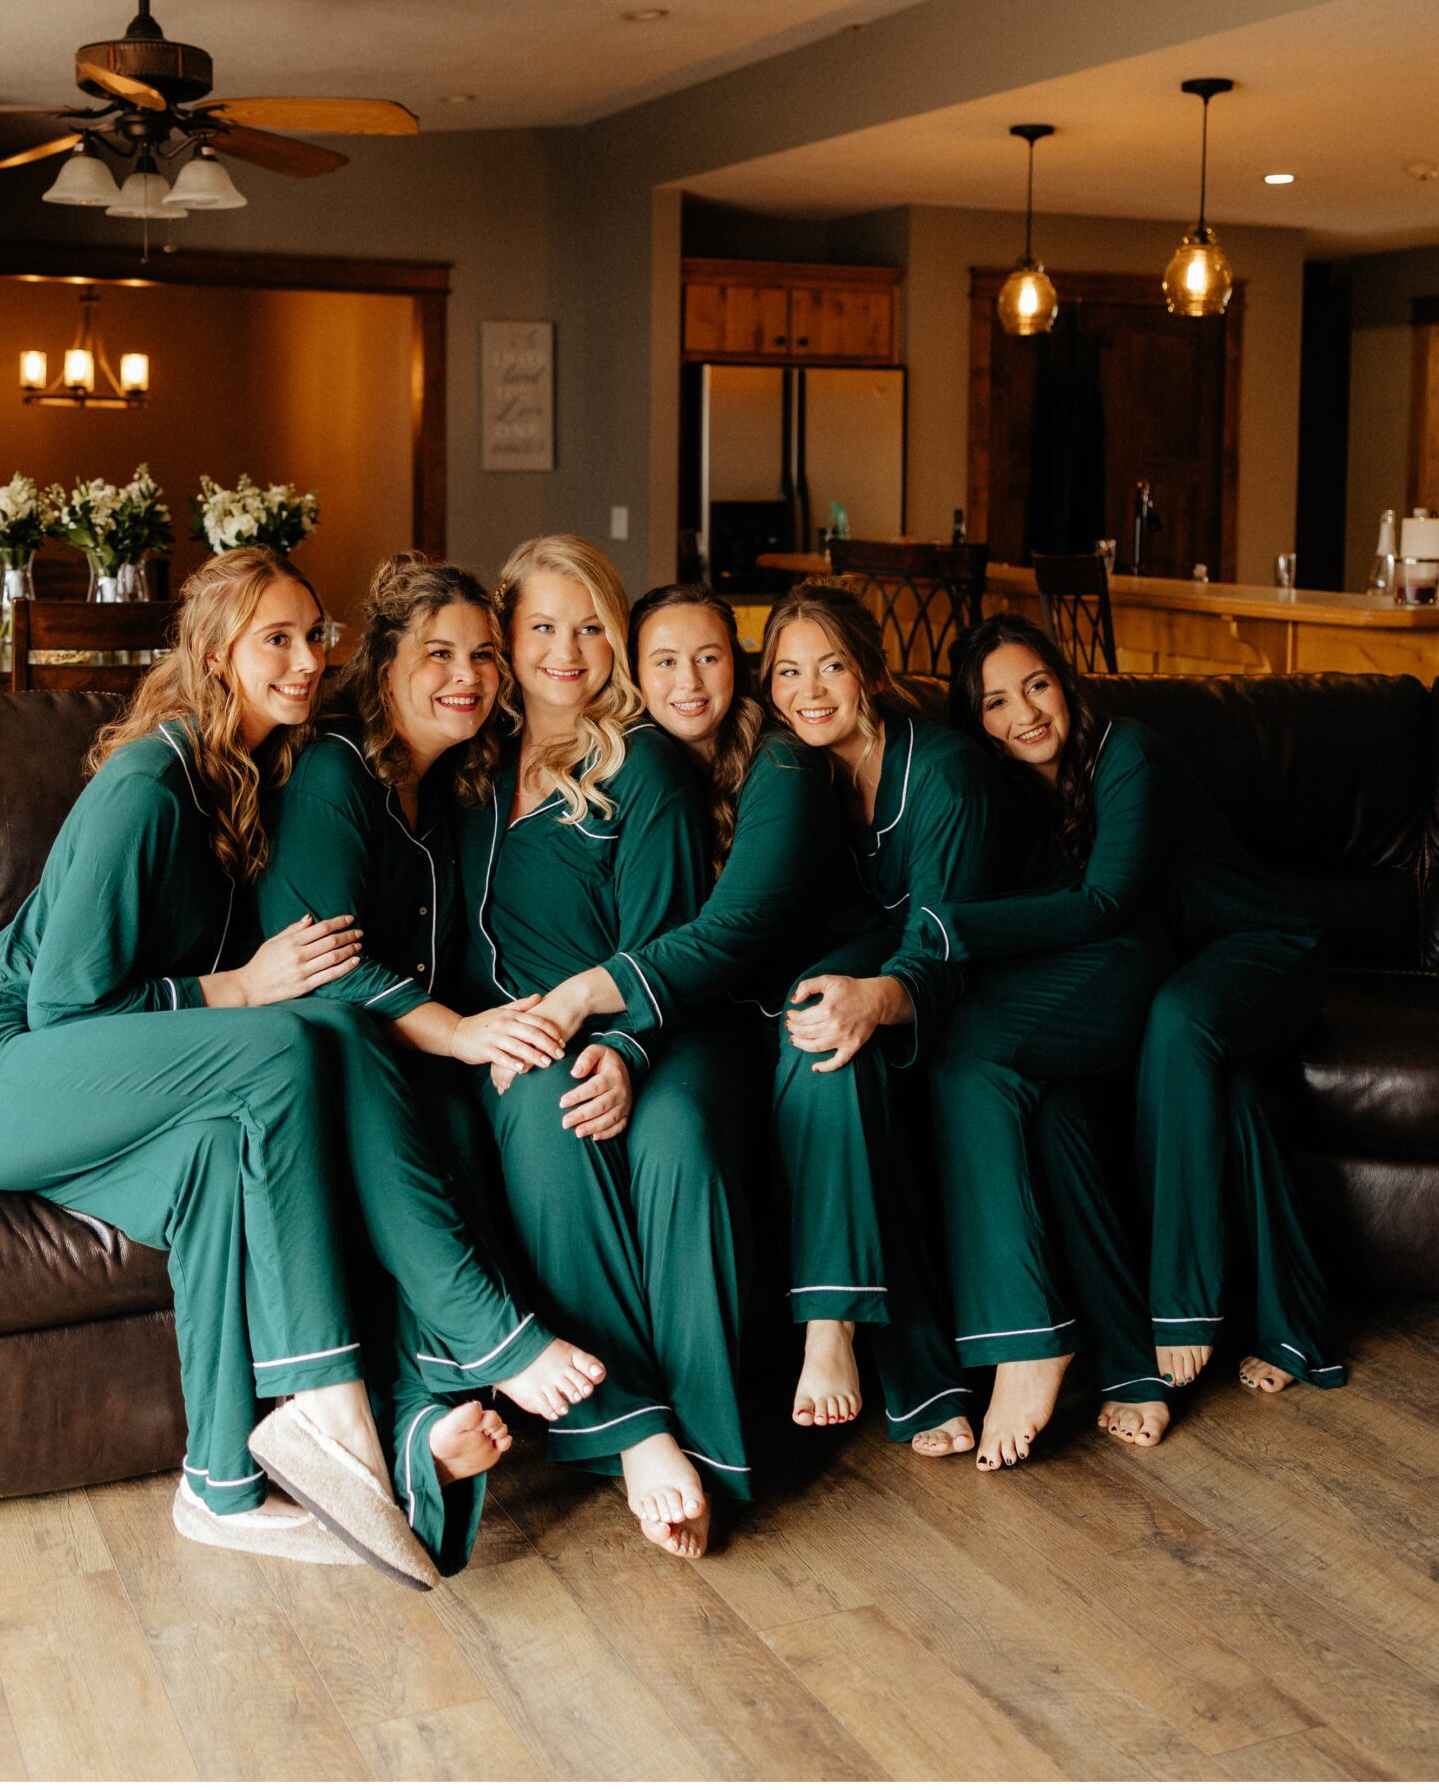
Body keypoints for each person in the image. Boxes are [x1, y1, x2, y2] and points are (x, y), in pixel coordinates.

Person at [0, 548, 459, 1586]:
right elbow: (62, 1012)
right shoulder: (149, 780)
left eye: (313, 634)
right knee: (284, 1040)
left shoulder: (247, 776)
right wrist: (238, 987)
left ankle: (219, 1487)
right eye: (273, 638)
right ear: (212, 651)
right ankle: (332, 1417)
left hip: (58, 1083)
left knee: (212, 1156)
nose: (304, 659)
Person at [531, 581, 973, 1457]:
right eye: (664, 660)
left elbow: (738, 929)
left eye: (710, 656)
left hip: (819, 974)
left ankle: (837, 1337)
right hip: (718, 1014)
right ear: (634, 670)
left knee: (825, 1049)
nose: (690, 680)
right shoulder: (631, 760)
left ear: (739, 667)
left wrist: (587, 993)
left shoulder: (782, 764)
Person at [251, 553, 613, 1573]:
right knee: (424, 1119)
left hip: (412, 1049)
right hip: (317, 1050)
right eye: (438, 654)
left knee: (460, 1129)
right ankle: (495, 1345)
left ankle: (425, 1427)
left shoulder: (454, 786)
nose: (468, 674)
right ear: (384, 664)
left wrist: (516, 1026)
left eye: (484, 655)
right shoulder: (336, 773)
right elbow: (321, 961)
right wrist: (459, 1030)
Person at [766, 586, 1176, 1471]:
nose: (811, 689)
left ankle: (1031, 1343)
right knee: (843, 1046)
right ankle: (916, 1373)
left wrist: (879, 998)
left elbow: (937, 941)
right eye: (789, 671)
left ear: (871, 673)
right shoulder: (801, 776)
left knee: (963, 1071)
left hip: (1078, 956)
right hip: (988, 975)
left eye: (831, 664)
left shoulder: (944, 770)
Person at [944, 615, 1342, 1401]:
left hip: (1263, 948)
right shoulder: (1029, 793)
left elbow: (1100, 903)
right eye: (996, 703)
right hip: (1181, 966)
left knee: (1181, 1023)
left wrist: (951, 929)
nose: (1024, 713)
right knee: (1207, 1091)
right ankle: (1286, 1328)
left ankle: (1184, 1308)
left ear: (1066, 684)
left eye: (1036, 685)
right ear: (980, 724)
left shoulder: (1128, 751)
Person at [451, 536, 756, 1559]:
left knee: (676, 1148)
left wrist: (624, 1051)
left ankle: (712, 1448)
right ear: (505, 636)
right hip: (510, 1043)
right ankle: (634, 1432)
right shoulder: (469, 766)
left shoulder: (646, 766)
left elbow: (667, 940)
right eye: (540, 625)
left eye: (588, 626)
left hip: (656, 1027)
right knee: (545, 1101)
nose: (565, 649)